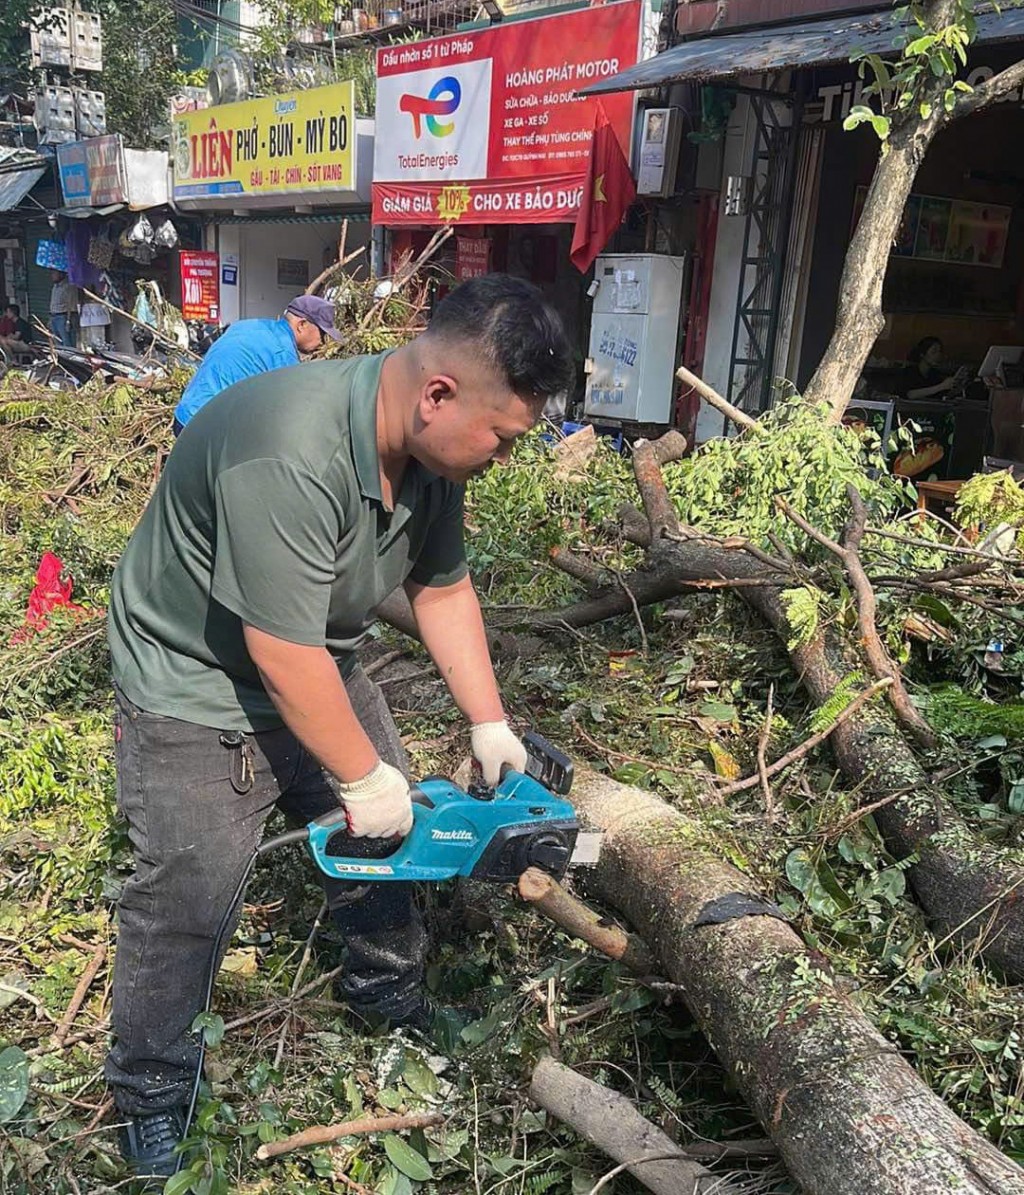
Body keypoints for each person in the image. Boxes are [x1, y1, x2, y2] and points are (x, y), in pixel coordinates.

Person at [106, 274, 574, 1179]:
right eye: (503, 437)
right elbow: (278, 653)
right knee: (188, 891)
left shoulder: (434, 456)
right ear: (440, 393)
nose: (504, 456)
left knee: (393, 848)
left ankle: (384, 998)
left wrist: (489, 723)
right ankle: (152, 1090)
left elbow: (440, 586)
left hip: (317, 649)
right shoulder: (290, 447)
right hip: (195, 676)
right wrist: (361, 781)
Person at [172, 295, 343, 434]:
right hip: (205, 429)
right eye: (322, 333)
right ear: (302, 325)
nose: (323, 342)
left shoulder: (248, 326)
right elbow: (291, 416)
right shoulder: (282, 356)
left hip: (185, 414)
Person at [897, 336, 969, 400]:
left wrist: (957, 389)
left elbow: (941, 397)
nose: (938, 355)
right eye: (934, 351)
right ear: (922, 354)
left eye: (939, 352)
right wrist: (941, 386)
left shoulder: (934, 375)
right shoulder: (909, 372)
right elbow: (909, 394)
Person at [48, 270, 78, 348]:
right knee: (57, 342)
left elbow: (71, 304)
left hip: (63, 317)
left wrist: (68, 321)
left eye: (54, 273)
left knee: (66, 342)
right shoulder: (55, 287)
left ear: (61, 274)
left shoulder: (68, 287)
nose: (52, 275)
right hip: (54, 317)